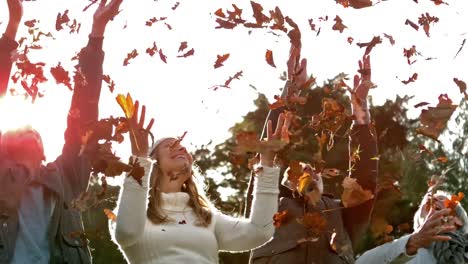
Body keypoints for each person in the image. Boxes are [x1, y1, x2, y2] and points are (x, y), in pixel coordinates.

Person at [0, 0, 123, 262]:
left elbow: (84, 112)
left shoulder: (66, 176)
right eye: (19, 130)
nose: (28, 130)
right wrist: (12, 26)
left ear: (43, 152)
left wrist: (97, 32)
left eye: (33, 131)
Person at [112, 99, 292, 263]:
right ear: (153, 162)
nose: (181, 147)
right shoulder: (132, 212)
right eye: (170, 145)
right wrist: (139, 159)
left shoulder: (206, 218)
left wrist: (267, 164)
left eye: (182, 146)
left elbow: (260, 231)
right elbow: (127, 233)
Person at [250, 53, 378, 264]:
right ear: (283, 182)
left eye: (312, 169)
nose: (308, 170)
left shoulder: (340, 212)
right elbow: (266, 152)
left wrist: (361, 115)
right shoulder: (268, 204)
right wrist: (291, 88)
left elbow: (364, 180)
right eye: (299, 170)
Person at [356, 190, 467, 264]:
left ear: (458, 221)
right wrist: (412, 242)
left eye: (442, 199)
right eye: (426, 204)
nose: (432, 199)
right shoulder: (398, 249)